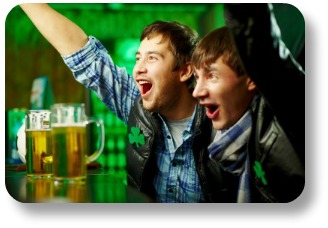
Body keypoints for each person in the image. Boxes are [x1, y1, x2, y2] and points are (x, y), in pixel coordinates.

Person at [20, 3, 221, 203]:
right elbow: (86, 58)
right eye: (138, 58)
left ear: (185, 71)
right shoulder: (140, 108)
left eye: (152, 58)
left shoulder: (221, 123)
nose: (138, 69)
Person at [191, 3, 305, 202]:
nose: (197, 92)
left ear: (252, 77)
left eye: (212, 76)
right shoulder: (216, 144)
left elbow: (258, 41)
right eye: (196, 77)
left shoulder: (291, 113)